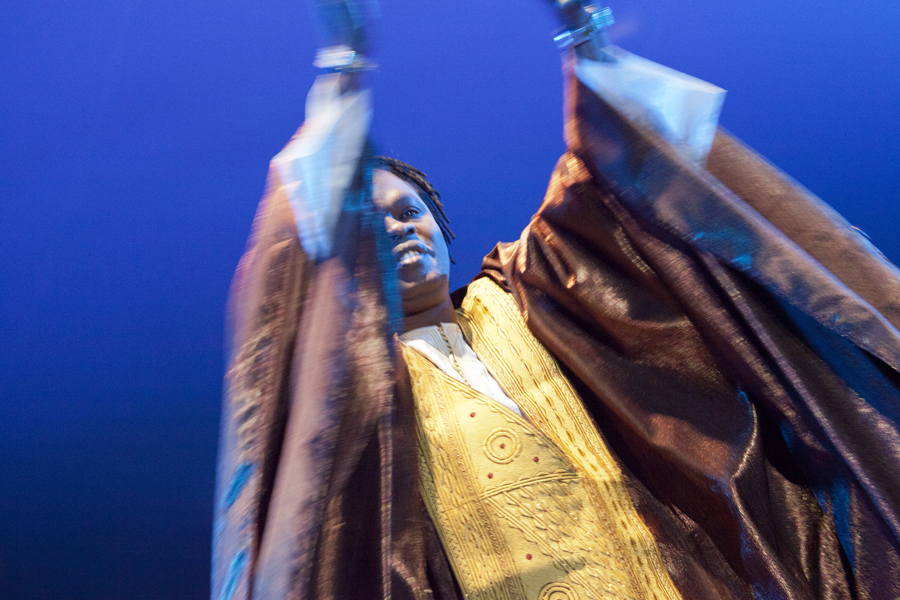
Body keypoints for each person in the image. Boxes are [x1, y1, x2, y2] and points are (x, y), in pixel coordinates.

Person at [212, 1, 900, 599]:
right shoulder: (357, 393)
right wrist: (343, 73)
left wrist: (583, 43)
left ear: (445, 232)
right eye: (370, 218)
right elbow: (293, 311)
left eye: (410, 210)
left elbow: (616, 188)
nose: (395, 225)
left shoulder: (537, 296)